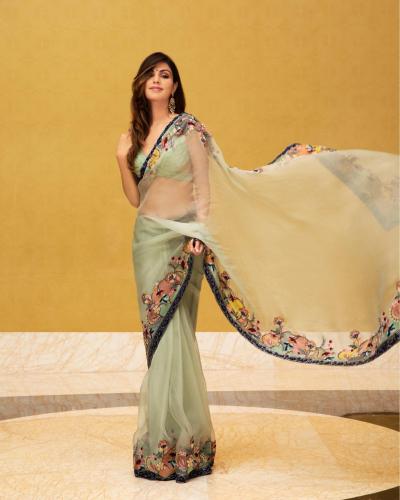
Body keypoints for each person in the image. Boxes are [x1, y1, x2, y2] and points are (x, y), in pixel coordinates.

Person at [115, 52, 400, 483]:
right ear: (140, 83)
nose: (157, 79)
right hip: (146, 243)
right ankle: (160, 443)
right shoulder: (133, 137)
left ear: (174, 87)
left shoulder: (188, 129)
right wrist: (122, 159)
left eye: (165, 74)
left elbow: (205, 188)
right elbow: (136, 199)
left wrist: (200, 231)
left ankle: (184, 445)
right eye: (151, 74)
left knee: (177, 334)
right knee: (156, 337)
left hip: (182, 242)